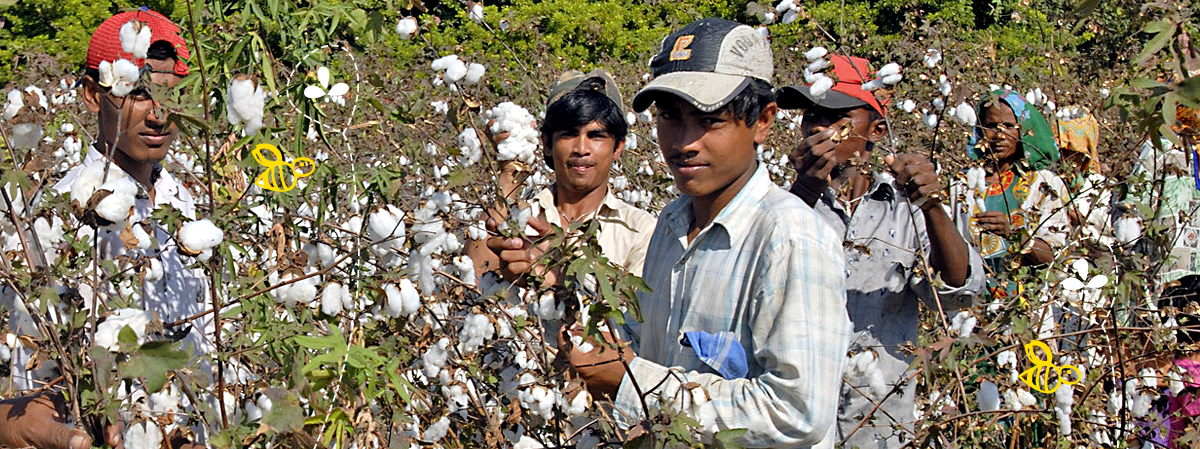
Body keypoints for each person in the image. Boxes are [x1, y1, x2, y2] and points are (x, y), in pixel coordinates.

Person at [502, 17, 849, 447]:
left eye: (710, 120)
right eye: (670, 117)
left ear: (763, 121)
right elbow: (638, 339)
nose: (684, 141)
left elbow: (798, 412)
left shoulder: (789, 238)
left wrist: (632, 382)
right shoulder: (672, 223)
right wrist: (564, 285)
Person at [0, 8, 209, 449]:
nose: (157, 115)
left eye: (168, 94)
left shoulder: (185, 202)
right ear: (94, 95)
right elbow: (31, 385)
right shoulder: (56, 221)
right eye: (136, 93)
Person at [778, 55, 986, 448]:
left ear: (875, 130)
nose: (820, 128)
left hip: (877, 426)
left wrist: (931, 205)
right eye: (811, 118)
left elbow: (959, 291)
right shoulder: (781, 204)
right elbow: (755, 277)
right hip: (793, 421)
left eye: (837, 118)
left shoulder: (906, 210)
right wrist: (803, 191)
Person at [468, 70, 655, 282]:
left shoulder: (642, 231)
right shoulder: (523, 215)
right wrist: (510, 171)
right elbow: (474, 286)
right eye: (568, 133)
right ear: (547, 143)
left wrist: (559, 273)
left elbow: (633, 311)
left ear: (618, 147)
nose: (581, 148)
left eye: (596, 136)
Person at [951, 89, 1070, 275]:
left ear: (1024, 129)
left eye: (1008, 126)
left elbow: (1058, 255)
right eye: (991, 126)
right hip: (971, 296)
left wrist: (1014, 234)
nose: (1000, 135)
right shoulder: (961, 184)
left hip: (1027, 298)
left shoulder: (1043, 183)